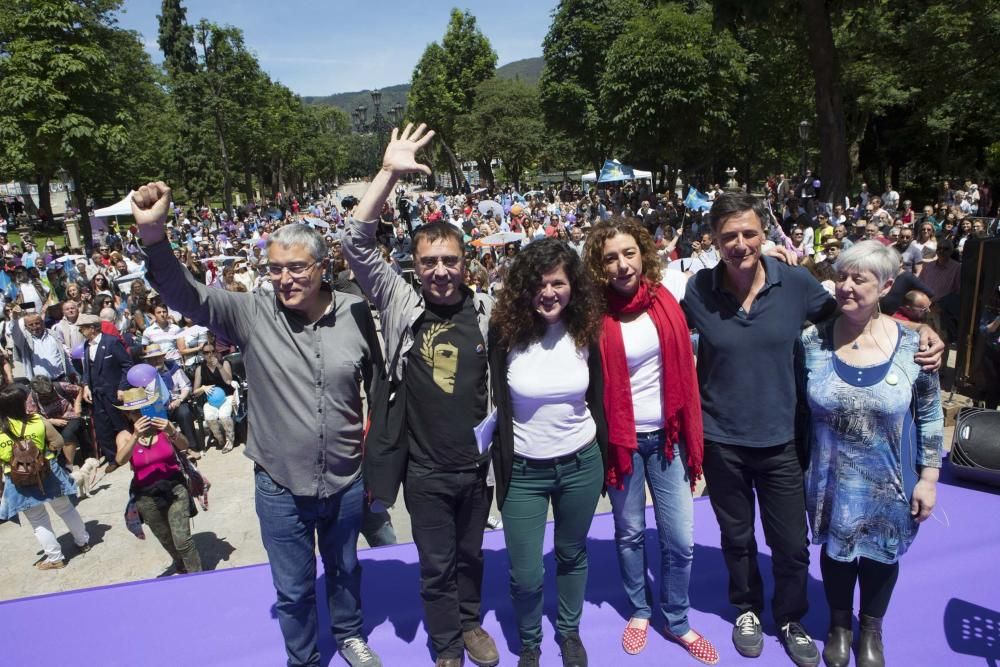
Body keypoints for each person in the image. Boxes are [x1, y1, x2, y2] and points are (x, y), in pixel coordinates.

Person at [681, 193, 942, 667]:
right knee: (736, 538)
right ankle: (746, 608)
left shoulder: (797, 282)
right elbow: (664, 336)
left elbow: (856, 313)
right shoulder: (698, 290)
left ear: (763, 233)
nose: (740, 244)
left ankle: (790, 617)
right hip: (722, 439)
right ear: (714, 241)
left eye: (749, 233)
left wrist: (918, 331)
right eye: (728, 236)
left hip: (783, 441)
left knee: (792, 544)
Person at [132, 182, 383, 667]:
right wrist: (154, 235)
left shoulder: (355, 312)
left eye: (295, 268)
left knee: (346, 568)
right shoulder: (250, 313)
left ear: (321, 265)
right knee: (291, 589)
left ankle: (350, 635)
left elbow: (377, 383)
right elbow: (185, 294)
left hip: (346, 479)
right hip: (279, 485)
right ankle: (304, 658)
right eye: (274, 269)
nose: (284, 279)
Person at [344, 123, 500, 667]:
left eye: (450, 261)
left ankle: (471, 623)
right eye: (428, 261)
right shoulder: (399, 303)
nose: (439, 271)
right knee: (436, 566)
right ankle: (446, 646)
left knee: (472, 555)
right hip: (426, 471)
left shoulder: (484, 312)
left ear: (465, 263)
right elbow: (354, 243)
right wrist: (387, 173)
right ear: (414, 265)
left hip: (474, 469)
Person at [799, 241, 942, 667]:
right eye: (841, 276)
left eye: (858, 279)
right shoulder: (812, 341)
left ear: (886, 287)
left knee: (882, 554)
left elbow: (932, 414)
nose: (845, 287)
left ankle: (871, 628)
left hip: (890, 478)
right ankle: (840, 624)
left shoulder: (914, 347)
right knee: (837, 554)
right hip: (829, 477)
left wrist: (929, 478)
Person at [582, 219, 717, 665]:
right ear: (598, 267)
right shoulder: (591, 314)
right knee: (630, 532)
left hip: (669, 438)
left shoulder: (668, 301)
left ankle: (676, 618)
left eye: (629, 253)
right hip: (622, 442)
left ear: (643, 253)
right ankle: (640, 609)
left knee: (680, 538)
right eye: (610, 258)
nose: (622, 265)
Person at [488, 238, 607, 667]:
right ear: (524, 288)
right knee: (525, 573)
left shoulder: (587, 328)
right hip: (523, 472)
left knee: (572, 554)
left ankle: (570, 632)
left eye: (558, 283)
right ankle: (531, 642)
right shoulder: (505, 333)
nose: (549, 293)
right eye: (539, 285)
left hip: (581, 464)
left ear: (572, 284)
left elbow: (600, 394)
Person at [0, 384, 91, 569]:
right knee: (65, 509)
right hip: (48, 472)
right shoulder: (37, 420)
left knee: (37, 519)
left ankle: (55, 558)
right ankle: (83, 542)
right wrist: (45, 452)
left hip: (19, 480)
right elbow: (58, 441)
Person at [114, 387, 202, 574]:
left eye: (144, 409)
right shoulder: (125, 436)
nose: (140, 415)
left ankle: (198, 577)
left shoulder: (163, 428)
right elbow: (120, 460)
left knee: (182, 541)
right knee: (165, 538)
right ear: (128, 415)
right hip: (146, 496)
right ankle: (180, 564)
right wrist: (136, 436)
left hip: (175, 489)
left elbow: (185, 445)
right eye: (135, 412)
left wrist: (172, 432)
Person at [78, 313, 133, 472]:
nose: (81, 331)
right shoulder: (87, 345)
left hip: (113, 391)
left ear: (92, 328)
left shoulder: (111, 342)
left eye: (83, 328)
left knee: (120, 423)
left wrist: (122, 387)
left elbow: (126, 365)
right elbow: (87, 369)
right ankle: (112, 458)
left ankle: (130, 453)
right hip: (96, 392)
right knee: (102, 428)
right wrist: (86, 385)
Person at [192, 346, 237, 452]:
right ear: (202, 354)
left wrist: (219, 366)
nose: (210, 354)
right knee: (209, 417)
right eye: (206, 352)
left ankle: (230, 440)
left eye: (213, 351)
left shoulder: (224, 363)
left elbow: (228, 382)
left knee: (224, 416)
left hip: (226, 396)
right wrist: (203, 388)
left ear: (216, 352)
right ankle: (220, 439)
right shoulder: (200, 369)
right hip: (211, 400)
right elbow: (195, 391)